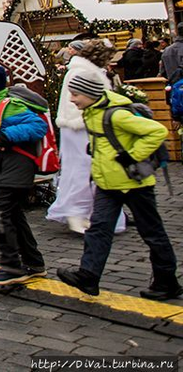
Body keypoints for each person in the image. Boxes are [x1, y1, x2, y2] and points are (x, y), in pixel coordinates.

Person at [57, 71, 181, 300]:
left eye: (75, 94)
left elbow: (157, 131)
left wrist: (132, 155)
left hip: (134, 183)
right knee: (98, 229)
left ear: (90, 94)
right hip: (107, 183)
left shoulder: (115, 114)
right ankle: (88, 276)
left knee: (152, 233)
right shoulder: (91, 112)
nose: (72, 99)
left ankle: (167, 281)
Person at [0, 66, 48, 286]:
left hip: (12, 170)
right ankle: (34, 263)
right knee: (14, 215)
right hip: (1, 169)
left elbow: (37, 126)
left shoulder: (9, 105)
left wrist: (7, 135)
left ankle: (11, 265)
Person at [48, 40, 126, 235]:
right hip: (81, 126)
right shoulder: (84, 72)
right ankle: (79, 213)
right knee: (83, 168)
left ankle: (89, 212)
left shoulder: (81, 69)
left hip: (78, 125)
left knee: (83, 168)